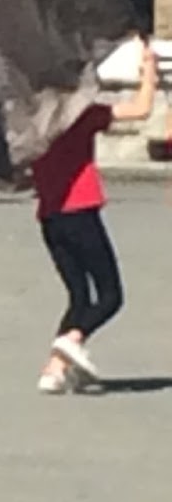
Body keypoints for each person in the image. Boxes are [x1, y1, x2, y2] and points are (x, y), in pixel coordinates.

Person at [33, 41, 156, 394]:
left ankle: (53, 370)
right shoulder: (81, 115)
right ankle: (70, 342)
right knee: (110, 296)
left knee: (78, 297)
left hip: (50, 216)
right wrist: (148, 69)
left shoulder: (35, 120)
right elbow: (141, 109)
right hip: (80, 210)